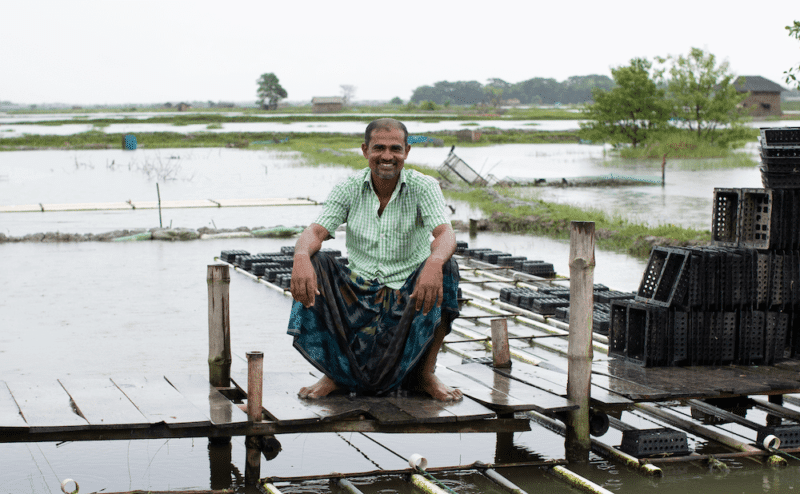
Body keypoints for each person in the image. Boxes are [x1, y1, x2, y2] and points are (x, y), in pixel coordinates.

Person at [288, 118, 462, 401]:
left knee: (447, 265)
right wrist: (300, 256)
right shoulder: (349, 187)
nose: (387, 157)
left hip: (410, 289)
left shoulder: (423, 186)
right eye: (378, 148)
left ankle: (425, 373)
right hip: (360, 292)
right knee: (315, 260)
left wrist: (433, 263)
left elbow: (445, 233)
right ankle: (334, 373)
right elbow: (316, 231)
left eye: (395, 149)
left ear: (407, 151)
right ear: (365, 150)